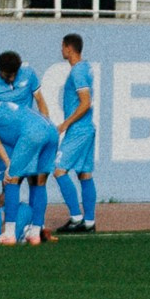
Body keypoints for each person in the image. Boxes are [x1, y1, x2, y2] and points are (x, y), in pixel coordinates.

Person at [0, 48, 54, 244]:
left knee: (36, 181)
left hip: (30, 134)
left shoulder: (29, 74)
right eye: (8, 75)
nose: (12, 79)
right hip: (7, 139)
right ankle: (12, 229)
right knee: (9, 183)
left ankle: (34, 229)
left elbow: (41, 102)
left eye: (15, 75)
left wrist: (45, 124)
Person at [52, 32, 98, 234]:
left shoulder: (78, 72)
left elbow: (85, 103)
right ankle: (89, 221)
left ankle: (76, 217)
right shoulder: (85, 67)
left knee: (59, 170)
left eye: (62, 46)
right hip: (87, 128)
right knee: (85, 174)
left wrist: (65, 124)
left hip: (78, 129)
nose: (61, 50)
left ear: (69, 48)